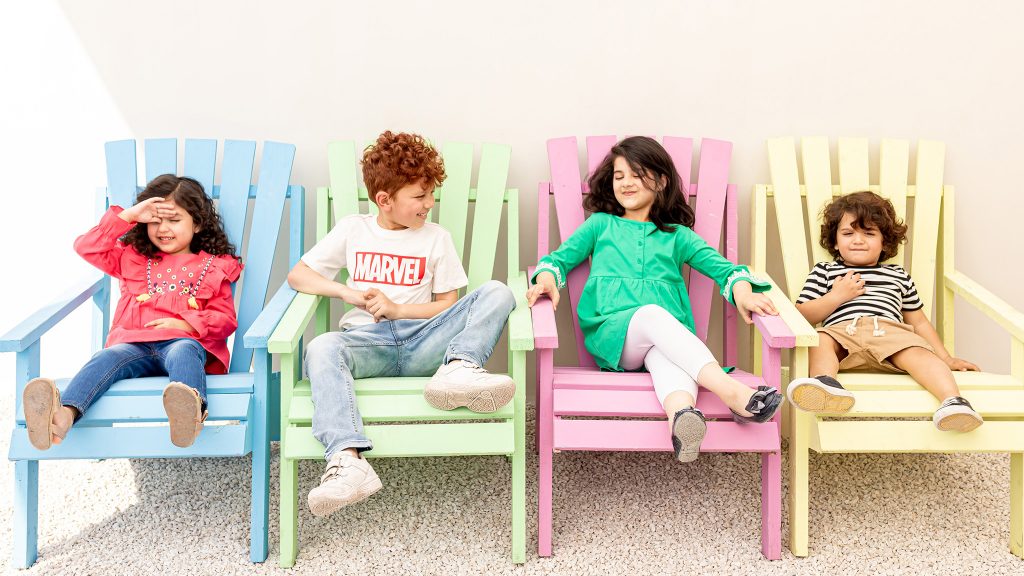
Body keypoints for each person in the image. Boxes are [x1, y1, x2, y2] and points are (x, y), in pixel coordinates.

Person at [287, 131, 517, 516]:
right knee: (321, 346)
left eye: (431, 194)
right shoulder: (353, 230)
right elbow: (298, 275)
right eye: (420, 196)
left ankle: (460, 368)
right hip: (368, 344)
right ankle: (347, 461)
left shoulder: (436, 238)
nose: (429, 203)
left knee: (497, 291)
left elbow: (448, 305)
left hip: (425, 343)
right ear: (385, 200)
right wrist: (346, 293)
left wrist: (398, 310)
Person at [526, 136, 783, 464]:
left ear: (661, 181)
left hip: (664, 341)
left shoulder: (678, 236)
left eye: (636, 174)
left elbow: (725, 270)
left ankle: (682, 419)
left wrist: (743, 291)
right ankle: (732, 392)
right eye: (619, 176)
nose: (626, 182)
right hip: (613, 335)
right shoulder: (601, 225)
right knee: (651, 314)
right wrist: (547, 279)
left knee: (668, 357)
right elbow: (557, 260)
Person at [23, 174, 242, 450]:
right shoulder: (132, 258)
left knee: (183, 351)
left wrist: (187, 324)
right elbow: (87, 246)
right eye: (155, 221)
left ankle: (188, 413)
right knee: (105, 358)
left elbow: (225, 319)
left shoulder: (212, 268)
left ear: (197, 223)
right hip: (132, 345)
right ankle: (62, 416)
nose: (163, 229)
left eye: (174, 220)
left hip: (181, 342)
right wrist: (130, 215)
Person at [787, 190, 983, 432]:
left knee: (920, 352)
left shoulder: (898, 275)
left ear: (885, 243)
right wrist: (836, 297)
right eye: (848, 233)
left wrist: (946, 357)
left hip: (891, 337)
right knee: (819, 340)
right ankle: (826, 384)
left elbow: (919, 322)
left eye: (869, 233)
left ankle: (953, 401)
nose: (858, 240)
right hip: (843, 336)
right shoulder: (824, 271)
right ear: (835, 241)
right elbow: (801, 316)